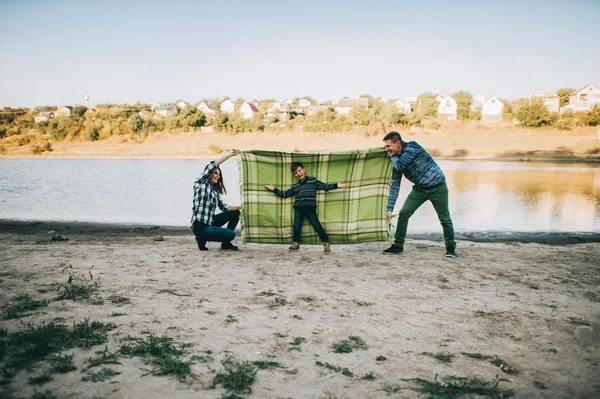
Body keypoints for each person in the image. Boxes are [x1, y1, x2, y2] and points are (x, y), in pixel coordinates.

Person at [382, 131, 456, 257]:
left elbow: (401, 165)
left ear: (398, 143)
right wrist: (389, 208)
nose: (386, 150)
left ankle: (450, 248)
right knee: (404, 214)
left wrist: (392, 157)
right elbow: (395, 185)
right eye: (385, 147)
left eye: (388, 146)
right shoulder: (396, 163)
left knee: (444, 219)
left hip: (438, 187)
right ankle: (398, 245)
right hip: (420, 189)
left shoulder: (412, 147)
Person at [265, 162, 346, 253]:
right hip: (298, 209)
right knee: (296, 226)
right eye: (295, 173)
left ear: (304, 170)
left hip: (310, 208)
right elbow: (284, 194)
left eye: (299, 170)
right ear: (294, 175)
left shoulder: (313, 181)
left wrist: (336, 185)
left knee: (317, 226)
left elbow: (325, 186)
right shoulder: (296, 186)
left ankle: (326, 244)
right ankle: (296, 243)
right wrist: (274, 189)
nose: (298, 173)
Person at [191, 150, 241, 251]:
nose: (218, 175)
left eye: (219, 174)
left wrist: (242, 206)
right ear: (209, 173)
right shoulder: (200, 183)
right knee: (231, 234)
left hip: (210, 222)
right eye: (215, 173)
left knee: (236, 213)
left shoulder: (214, 192)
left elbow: (225, 207)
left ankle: (225, 244)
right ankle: (201, 237)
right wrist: (230, 155)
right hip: (200, 226)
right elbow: (213, 164)